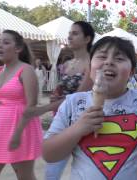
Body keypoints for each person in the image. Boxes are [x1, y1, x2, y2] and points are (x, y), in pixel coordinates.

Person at [42, 36, 137, 180]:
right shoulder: (72, 103)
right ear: (89, 68)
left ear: (131, 72)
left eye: (119, 59)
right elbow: (49, 154)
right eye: (102, 56)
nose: (109, 62)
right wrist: (77, 129)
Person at [44, 21, 95, 180]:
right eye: (69, 33)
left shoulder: (92, 64)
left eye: (75, 33)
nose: (69, 37)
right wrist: (55, 96)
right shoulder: (66, 64)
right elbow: (62, 92)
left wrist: (40, 109)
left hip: (83, 121)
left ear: (87, 39)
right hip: (62, 119)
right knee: (51, 172)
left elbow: (77, 97)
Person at [0, 30, 42, 179]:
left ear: (18, 48)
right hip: (0, 128)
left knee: (24, 176)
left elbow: (31, 106)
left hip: (22, 128)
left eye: (6, 43)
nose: (0, 46)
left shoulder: (26, 70)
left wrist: (17, 134)